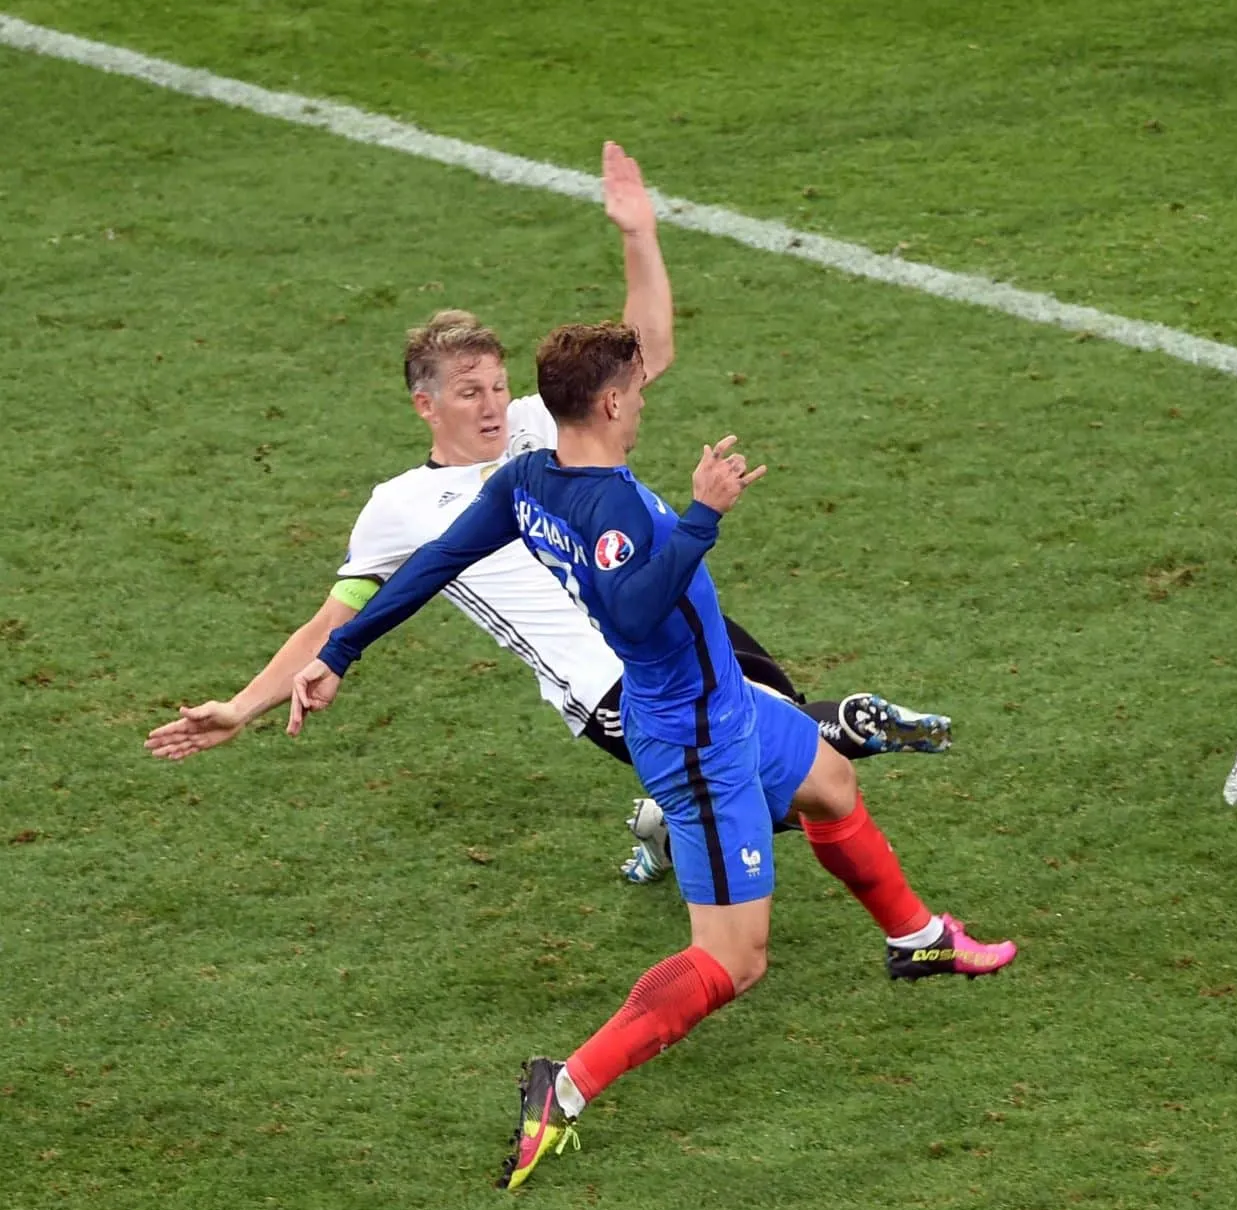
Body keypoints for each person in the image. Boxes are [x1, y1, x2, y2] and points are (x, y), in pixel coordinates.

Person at [286, 321, 1016, 1190]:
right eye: (635, 393)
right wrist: (704, 513)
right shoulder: (616, 512)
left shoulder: (527, 479)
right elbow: (633, 615)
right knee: (734, 959)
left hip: (726, 704)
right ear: (606, 402)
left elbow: (437, 562)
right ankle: (565, 1087)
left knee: (830, 779)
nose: (641, 406)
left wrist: (339, 651)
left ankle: (919, 938)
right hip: (697, 741)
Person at [143, 143, 952, 883]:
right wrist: (243, 708)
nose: (493, 406)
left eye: (496, 385)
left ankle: (670, 822)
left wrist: (640, 233)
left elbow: (647, 352)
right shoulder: (400, 507)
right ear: (424, 405)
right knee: (797, 768)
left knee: (782, 786)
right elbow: (332, 621)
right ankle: (845, 749)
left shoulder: (543, 430)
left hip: (679, 620)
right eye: (469, 392)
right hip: (604, 685)